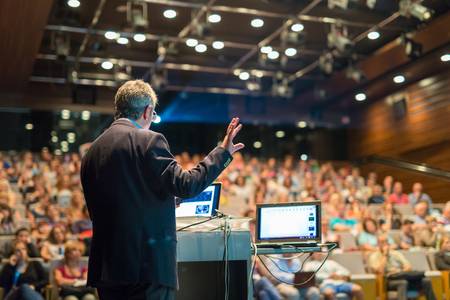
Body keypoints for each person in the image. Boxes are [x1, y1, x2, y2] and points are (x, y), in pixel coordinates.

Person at [80, 80, 244, 300]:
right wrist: (222, 152)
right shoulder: (148, 140)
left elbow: (115, 204)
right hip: (146, 266)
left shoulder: (92, 151)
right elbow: (187, 185)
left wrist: (164, 200)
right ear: (148, 111)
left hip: (107, 268)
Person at [367, 235, 436, 300]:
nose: (385, 244)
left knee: (426, 281)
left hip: (401, 275)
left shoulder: (396, 253)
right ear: (378, 244)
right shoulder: (374, 256)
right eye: (382, 242)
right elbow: (380, 271)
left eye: (386, 242)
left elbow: (408, 266)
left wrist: (399, 271)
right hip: (387, 281)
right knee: (403, 283)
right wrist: (385, 255)